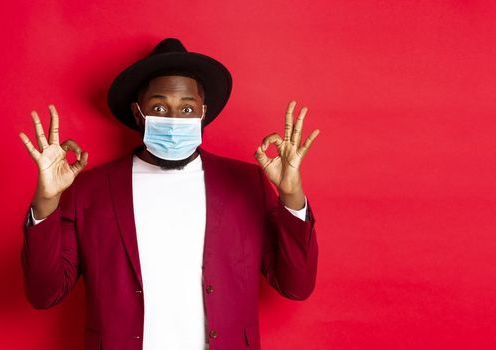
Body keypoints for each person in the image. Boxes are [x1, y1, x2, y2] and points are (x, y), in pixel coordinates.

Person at [17, 38, 321, 350]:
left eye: (187, 108)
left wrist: (291, 196)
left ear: (202, 114)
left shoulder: (246, 183)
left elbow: (296, 286)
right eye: (159, 107)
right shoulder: (90, 189)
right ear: (138, 113)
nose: (174, 119)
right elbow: (44, 294)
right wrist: (47, 201)